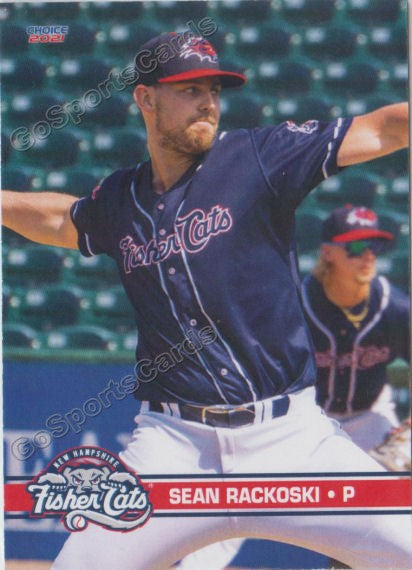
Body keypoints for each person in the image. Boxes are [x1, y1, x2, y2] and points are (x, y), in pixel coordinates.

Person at [2, 33, 411, 569]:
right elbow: (61, 219)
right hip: (174, 446)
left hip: (289, 438)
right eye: (189, 89)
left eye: (214, 90)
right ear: (146, 99)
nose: (207, 102)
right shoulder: (121, 200)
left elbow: (381, 129)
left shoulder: (258, 157)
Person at [176, 204, 411, 569]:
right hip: (307, 420)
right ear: (328, 253)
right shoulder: (295, 305)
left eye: (375, 246)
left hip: (370, 418)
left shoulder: (395, 308)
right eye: (356, 246)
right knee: (241, 494)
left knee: (391, 507)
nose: (368, 255)